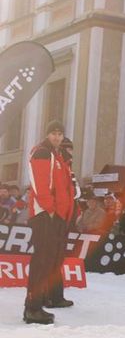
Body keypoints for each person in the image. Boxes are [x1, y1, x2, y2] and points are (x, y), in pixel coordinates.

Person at [24, 120, 76, 324]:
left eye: (60, 134)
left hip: (56, 216)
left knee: (48, 262)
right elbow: (40, 185)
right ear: (47, 135)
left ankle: (41, 302)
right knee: (42, 262)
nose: (57, 137)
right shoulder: (42, 152)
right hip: (45, 215)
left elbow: (64, 188)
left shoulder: (56, 155)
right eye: (53, 133)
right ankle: (32, 308)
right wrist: (51, 209)